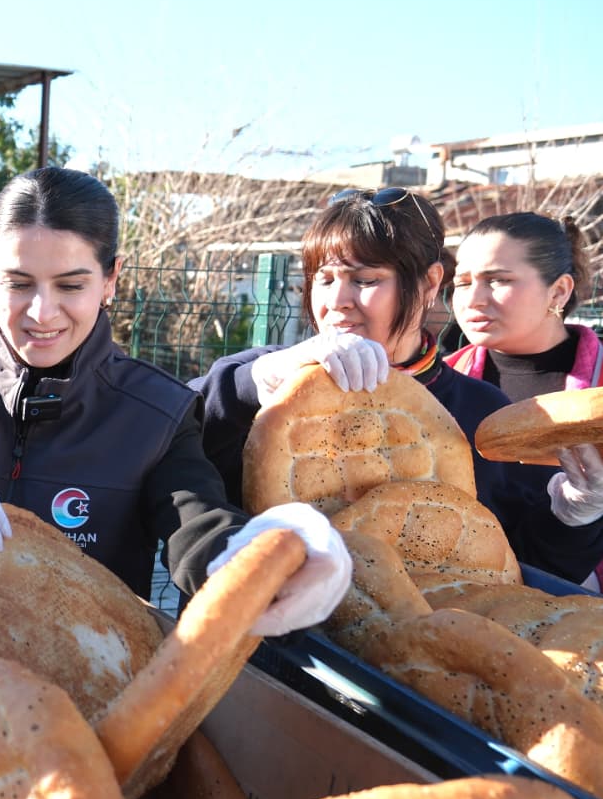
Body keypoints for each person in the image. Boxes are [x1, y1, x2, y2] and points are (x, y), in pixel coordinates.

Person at [0, 168, 351, 634]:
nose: (41, 312)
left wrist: (263, 555)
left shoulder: (153, 413)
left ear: (110, 281)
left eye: (71, 285)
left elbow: (198, 529)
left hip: (82, 695)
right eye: (19, 283)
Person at [191, 189, 603, 584]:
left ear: (428, 284)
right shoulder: (271, 378)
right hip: (275, 639)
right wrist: (249, 383)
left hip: (420, 641)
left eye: (365, 281)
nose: (337, 301)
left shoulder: (478, 410)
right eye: (325, 278)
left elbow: (524, 570)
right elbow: (172, 438)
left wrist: (572, 516)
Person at [448, 212, 603, 585]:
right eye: (462, 283)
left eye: (498, 280)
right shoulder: (443, 384)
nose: (473, 300)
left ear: (559, 291)